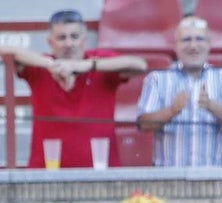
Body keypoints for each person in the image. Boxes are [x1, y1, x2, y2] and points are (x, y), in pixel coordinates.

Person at [0, 9, 147, 168]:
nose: (69, 44)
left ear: (84, 38)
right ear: (50, 41)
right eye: (61, 38)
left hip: (101, 172)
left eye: (74, 37)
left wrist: (85, 66)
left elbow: (139, 65)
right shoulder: (40, 68)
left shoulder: (98, 62)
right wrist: (52, 65)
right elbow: (5, 51)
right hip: (47, 173)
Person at [137, 16, 222, 167]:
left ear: (209, 44)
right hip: (168, 180)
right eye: (186, 40)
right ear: (175, 46)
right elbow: (144, 124)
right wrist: (171, 110)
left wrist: (211, 105)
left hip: (215, 180)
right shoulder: (157, 79)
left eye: (199, 39)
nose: (193, 46)